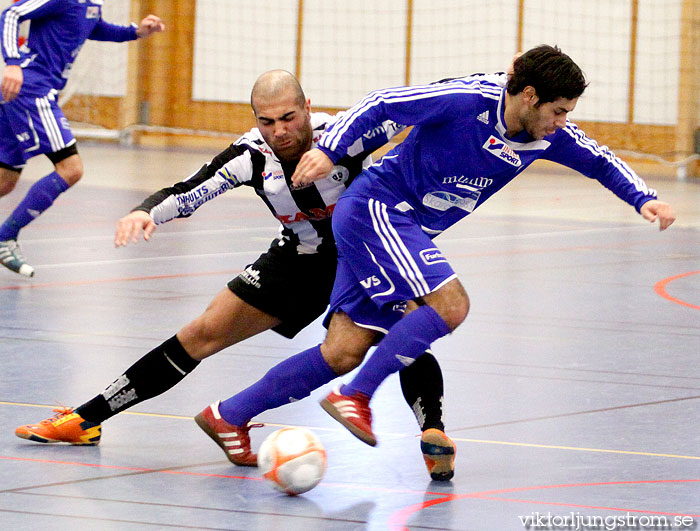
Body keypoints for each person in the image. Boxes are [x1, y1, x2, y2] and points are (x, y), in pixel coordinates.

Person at [15, 70, 457, 482]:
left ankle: (432, 433)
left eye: (288, 117)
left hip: (363, 254)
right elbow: (189, 191)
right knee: (202, 333)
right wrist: (144, 210)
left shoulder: (345, 133)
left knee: (406, 327)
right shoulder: (251, 155)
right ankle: (84, 419)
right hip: (300, 258)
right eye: (267, 121)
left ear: (307, 107)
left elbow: (411, 115)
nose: (280, 131)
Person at [259, 44, 674, 449]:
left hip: (396, 228)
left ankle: (228, 416)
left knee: (343, 350)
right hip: (379, 208)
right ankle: (356, 397)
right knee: (450, 305)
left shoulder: (546, 135)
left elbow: (599, 159)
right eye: (559, 111)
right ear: (529, 97)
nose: (563, 122)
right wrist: (330, 150)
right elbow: (384, 102)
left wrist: (644, 198)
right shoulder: (467, 99)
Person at [0, 0, 165, 277]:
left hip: (30, 92)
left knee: (5, 179)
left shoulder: (91, 4)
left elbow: (94, 27)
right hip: (32, 90)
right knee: (71, 169)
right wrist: (13, 63)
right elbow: (11, 12)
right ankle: (5, 236)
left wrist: (136, 32)